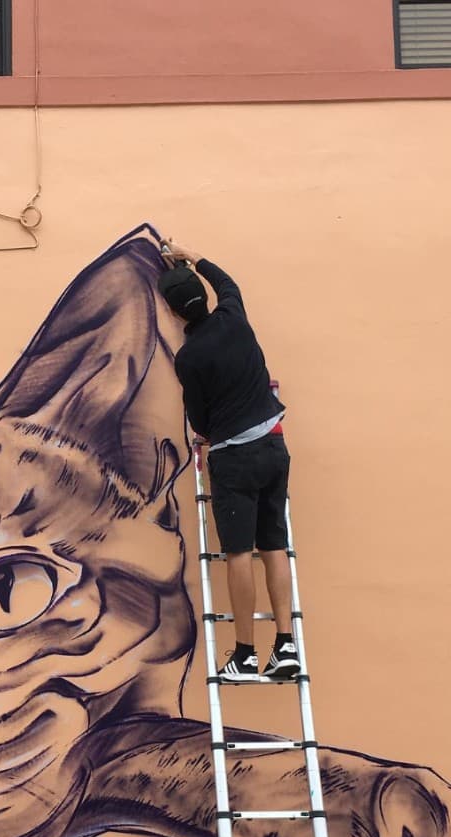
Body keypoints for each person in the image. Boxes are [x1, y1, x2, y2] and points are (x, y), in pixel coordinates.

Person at [157, 241, 300, 681]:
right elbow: (228, 283)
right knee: (274, 547)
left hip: (235, 459)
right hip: (275, 449)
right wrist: (191, 257)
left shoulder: (190, 358)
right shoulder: (234, 316)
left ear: (175, 313)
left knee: (239, 553)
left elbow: (199, 420)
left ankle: (243, 654)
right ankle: (285, 645)